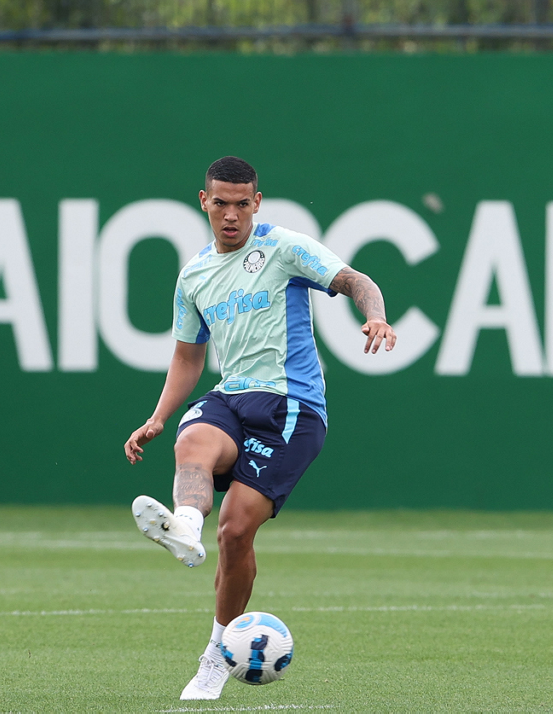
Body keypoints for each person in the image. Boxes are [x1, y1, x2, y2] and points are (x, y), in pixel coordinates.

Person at [123, 156, 396, 701]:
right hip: (232, 395)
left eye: (241, 204)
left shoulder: (283, 247)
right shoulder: (194, 275)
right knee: (191, 438)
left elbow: (354, 280)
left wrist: (377, 314)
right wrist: (158, 416)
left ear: (257, 203)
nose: (231, 215)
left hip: (292, 407)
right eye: (220, 203)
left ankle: (215, 657)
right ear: (204, 201)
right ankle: (185, 527)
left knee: (235, 531)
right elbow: (187, 357)